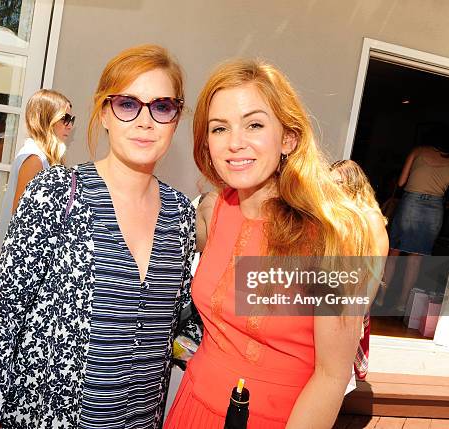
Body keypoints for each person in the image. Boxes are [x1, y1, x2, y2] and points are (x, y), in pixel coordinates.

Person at [0, 44, 197, 429]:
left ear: (176, 117)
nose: (145, 121)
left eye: (162, 106)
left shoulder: (180, 214)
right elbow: (3, 314)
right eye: (127, 104)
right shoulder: (57, 190)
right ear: (104, 112)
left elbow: (183, 324)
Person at [164, 59, 383, 428]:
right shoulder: (214, 211)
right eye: (219, 128)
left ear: (288, 137)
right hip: (190, 409)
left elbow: (331, 376)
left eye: (254, 124)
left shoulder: (332, 237)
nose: (235, 143)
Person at [381, 124, 449, 310]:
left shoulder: (418, 151)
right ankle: (402, 303)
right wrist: (443, 204)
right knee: (415, 258)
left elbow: (401, 182)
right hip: (435, 208)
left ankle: (381, 296)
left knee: (394, 251)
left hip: (411, 202)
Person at [331, 159, 389, 380]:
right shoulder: (336, 214)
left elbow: (376, 271)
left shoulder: (370, 218)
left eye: (338, 183)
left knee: (339, 370)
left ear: (353, 185)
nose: (332, 188)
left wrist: (359, 313)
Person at [0, 89, 74, 248]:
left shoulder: (42, 155)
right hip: (25, 255)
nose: (69, 126)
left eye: (71, 119)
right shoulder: (35, 158)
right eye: (65, 118)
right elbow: (21, 216)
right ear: (47, 118)